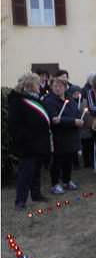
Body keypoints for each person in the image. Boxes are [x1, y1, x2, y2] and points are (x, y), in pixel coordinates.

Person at [8, 72, 51, 210]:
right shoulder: (18, 101)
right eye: (37, 83)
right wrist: (27, 138)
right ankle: (20, 201)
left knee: (36, 171)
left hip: (39, 142)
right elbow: (15, 124)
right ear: (29, 85)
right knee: (25, 173)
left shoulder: (35, 98)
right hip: (27, 144)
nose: (40, 85)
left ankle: (36, 194)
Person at [43, 77, 83, 194]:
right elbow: (55, 118)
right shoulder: (49, 100)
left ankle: (67, 180)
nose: (58, 88)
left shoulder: (69, 99)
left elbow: (76, 112)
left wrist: (79, 120)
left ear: (65, 88)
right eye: (55, 86)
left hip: (71, 134)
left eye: (61, 86)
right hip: (58, 135)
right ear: (52, 87)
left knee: (69, 159)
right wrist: (73, 121)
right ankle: (55, 184)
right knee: (57, 160)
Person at [80, 74, 95, 168]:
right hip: (87, 115)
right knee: (86, 142)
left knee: (92, 142)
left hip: (92, 116)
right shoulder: (85, 90)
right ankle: (87, 162)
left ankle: (92, 161)